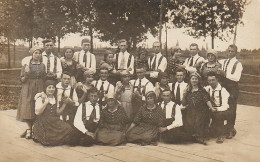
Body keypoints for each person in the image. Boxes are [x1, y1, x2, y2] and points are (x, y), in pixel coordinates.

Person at [32, 80, 77, 146]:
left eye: (53, 87)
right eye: (49, 87)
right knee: (47, 138)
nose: (51, 89)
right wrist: (45, 103)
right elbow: (37, 113)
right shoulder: (41, 98)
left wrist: (65, 104)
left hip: (54, 121)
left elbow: (58, 113)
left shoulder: (55, 98)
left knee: (68, 128)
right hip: (43, 121)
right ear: (45, 88)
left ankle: (60, 139)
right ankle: (36, 134)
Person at [17, 47, 46, 139]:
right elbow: (22, 79)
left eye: (39, 53)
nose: (38, 55)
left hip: (40, 86)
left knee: (37, 106)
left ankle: (35, 129)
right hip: (28, 87)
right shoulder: (26, 65)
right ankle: (29, 129)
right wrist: (26, 74)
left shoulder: (42, 65)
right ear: (32, 54)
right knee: (28, 107)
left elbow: (44, 77)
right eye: (36, 53)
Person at [182, 72, 214, 145]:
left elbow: (207, 100)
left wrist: (211, 108)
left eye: (196, 79)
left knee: (198, 121)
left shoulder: (202, 90)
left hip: (201, 110)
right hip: (190, 109)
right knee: (189, 121)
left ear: (198, 80)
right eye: (192, 79)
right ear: (190, 80)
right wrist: (184, 94)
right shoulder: (187, 90)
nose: (194, 80)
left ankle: (199, 137)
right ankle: (191, 137)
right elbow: (184, 103)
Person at [219, 44, 243, 139]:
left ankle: (230, 129)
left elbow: (237, 77)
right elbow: (212, 61)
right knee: (222, 106)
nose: (229, 53)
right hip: (223, 86)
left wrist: (224, 74)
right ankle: (225, 128)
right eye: (228, 51)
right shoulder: (223, 61)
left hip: (232, 87)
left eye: (232, 51)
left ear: (236, 52)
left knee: (231, 109)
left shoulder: (238, 64)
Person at [204, 72, 230, 144]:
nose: (211, 82)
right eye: (209, 80)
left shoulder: (223, 91)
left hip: (221, 110)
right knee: (203, 113)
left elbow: (225, 106)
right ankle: (205, 132)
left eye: (213, 80)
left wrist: (216, 109)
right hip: (211, 109)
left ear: (217, 80)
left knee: (219, 115)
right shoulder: (207, 88)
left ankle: (221, 135)